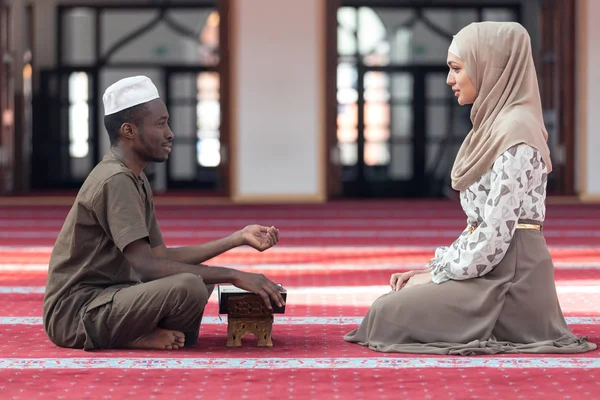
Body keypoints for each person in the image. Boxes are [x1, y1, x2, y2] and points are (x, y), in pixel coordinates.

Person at [344, 22, 597, 355]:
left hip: (511, 279)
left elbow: (495, 235)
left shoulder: (516, 131)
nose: (449, 79)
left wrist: (436, 277)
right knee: (391, 306)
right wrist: (432, 270)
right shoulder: (494, 127)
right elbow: (480, 228)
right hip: (491, 267)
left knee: (388, 314)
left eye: (456, 68)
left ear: (488, 65)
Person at [42, 75, 286, 351]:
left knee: (199, 277)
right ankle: (131, 336)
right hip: (76, 314)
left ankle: (142, 333)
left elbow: (161, 257)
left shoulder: (135, 177)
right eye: (161, 124)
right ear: (129, 131)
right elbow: (147, 268)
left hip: (110, 298)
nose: (170, 133)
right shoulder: (116, 180)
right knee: (191, 284)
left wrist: (238, 238)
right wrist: (234, 275)